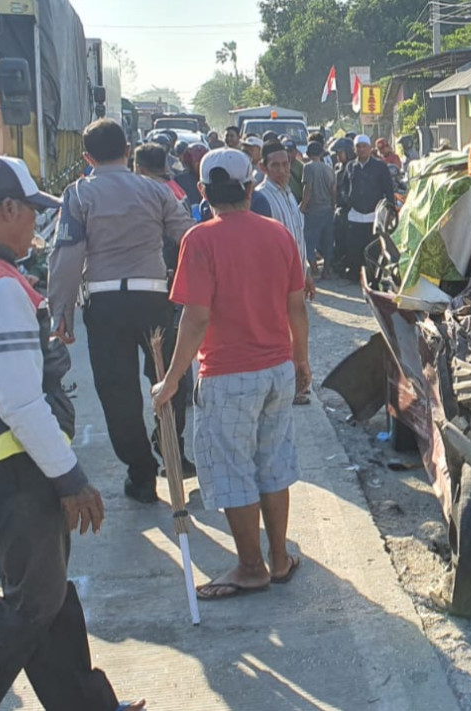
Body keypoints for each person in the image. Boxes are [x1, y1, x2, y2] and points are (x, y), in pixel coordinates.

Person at [0, 156, 145, 711]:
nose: (37, 227)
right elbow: (20, 402)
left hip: (7, 463)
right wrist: (71, 479)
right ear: (7, 209)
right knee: (31, 605)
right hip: (14, 467)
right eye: (32, 214)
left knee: (47, 595)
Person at [151, 147, 308, 601]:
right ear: (250, 187)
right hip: (277, 368)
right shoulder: (278, 234)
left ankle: (251, 567)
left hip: (227, 374)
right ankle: (279, 559)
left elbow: (195, 318)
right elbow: (295, 305)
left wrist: (173, 379)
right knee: (272, 466)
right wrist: (302, 359)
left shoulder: (200, 240)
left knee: (235, 469)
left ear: (202, 191)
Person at [47, 119, 194, 504]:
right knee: (169, 377)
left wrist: (59, 311)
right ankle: (169, 447)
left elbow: (67, 256)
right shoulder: (156, 190)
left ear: (87, 157)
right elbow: (188, 237)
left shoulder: (78, 195)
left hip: (105, 303)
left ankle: (141, 474)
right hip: (154, 299)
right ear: (128, 150)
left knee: (118, 392)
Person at [256, 141, 315, 303]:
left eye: (285, 164)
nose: (281, 170)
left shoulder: (289, 195)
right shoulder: (261, 199)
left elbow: (297, 239)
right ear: (263, 167)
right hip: (276, 286)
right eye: (275, 165)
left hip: (295, 284)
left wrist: (306, 272)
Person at [335, 134, 394, 279]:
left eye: (364, 146)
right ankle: (356, 274)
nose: (361, 150)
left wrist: (390, 209)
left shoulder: (380, 166)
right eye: (358, 147)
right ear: (354, 149)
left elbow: (388, 189)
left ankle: (373, 275)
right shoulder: (350, 166)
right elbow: (343, 187)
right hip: (355, 215)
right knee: (354, 247)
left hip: (373, 216)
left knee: (373, 248)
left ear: (370, 148)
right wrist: (348, 200)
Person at [301, 141, 338, 280]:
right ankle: (326, 270)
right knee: (327, 241)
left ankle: (315, 269)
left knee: (309, 241)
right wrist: (333, 204)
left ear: (308, 153)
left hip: (313, 210)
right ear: (321, 153)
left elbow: (308, 188)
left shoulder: (308, 168)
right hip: (327, 209)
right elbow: (333, 189)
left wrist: (302, 206)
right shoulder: (329, 168)